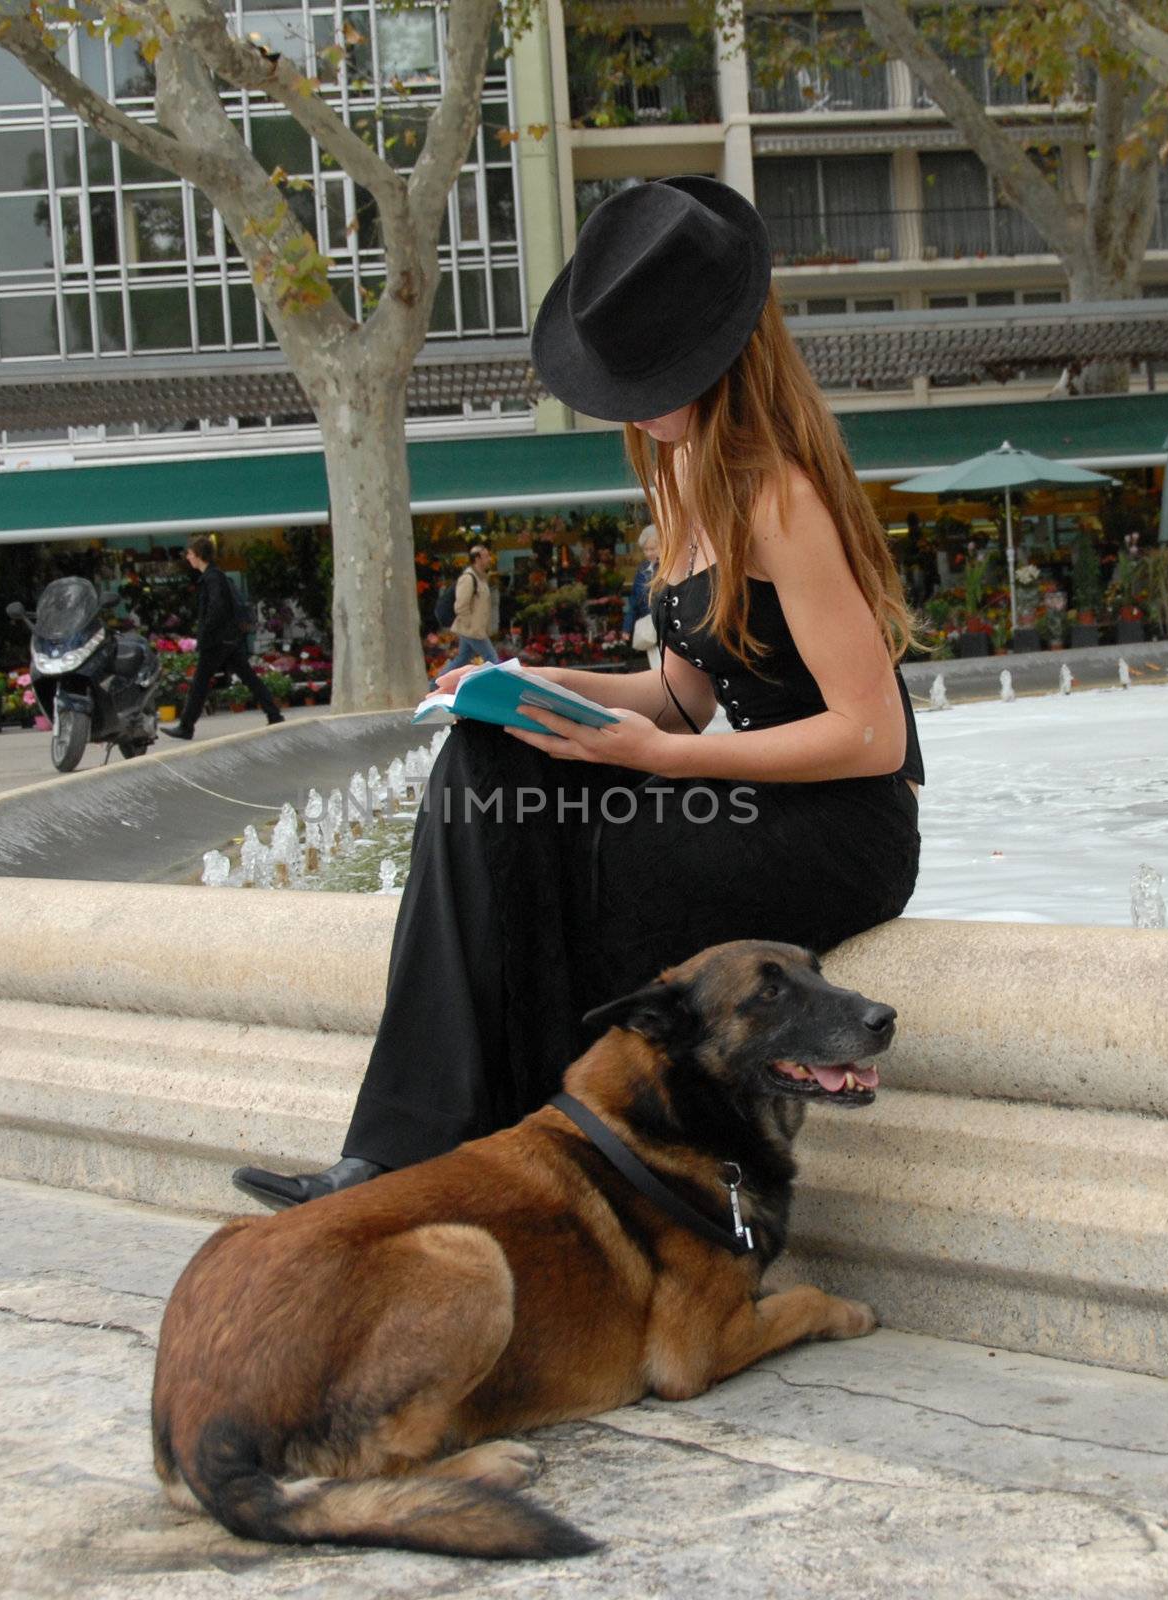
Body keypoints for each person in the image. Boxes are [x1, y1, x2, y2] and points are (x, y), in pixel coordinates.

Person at [234, 176, 923, 1210]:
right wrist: (536, 683)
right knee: (486, 763)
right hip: (745, 796)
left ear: (720, 355)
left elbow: (871, 735)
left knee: (571, 851)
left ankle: (514, 1168)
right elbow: (683, 694)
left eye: (652, 372)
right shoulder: (681, 474)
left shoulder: (778, 493)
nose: (630, 399)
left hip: (837, 829)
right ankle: (405, 1152)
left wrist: (665, 762)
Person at [161, 534, 283, 739]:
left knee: (200, 683)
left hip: (217, 641)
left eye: (189, 554)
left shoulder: (212, 578)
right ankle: (274, 714)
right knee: (249, 677)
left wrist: (205, 633)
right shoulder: (214, 576)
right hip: (228, 640)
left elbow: (216, 608)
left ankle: (186, 726)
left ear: (199, 555)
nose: (187, 558)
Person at [444, 544, 498, 673]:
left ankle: (435, 684)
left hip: (474, 628)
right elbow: (461, 605)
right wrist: (469, 625)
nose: (489, 559)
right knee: (492, 659)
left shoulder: (481, 578)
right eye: (486, 556)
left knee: (461, 659)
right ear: (477, 559)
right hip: (473, 630)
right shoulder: (468, 578)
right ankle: (503, 686)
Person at [622, 524, 661, 670]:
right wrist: (627, 627)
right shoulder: (643, 570)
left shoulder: (670, 566)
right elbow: (634, 602)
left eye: (653, 548)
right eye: (646, 549)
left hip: (668, 628)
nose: (649, 553)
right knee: (656, 667)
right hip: (649, 627)